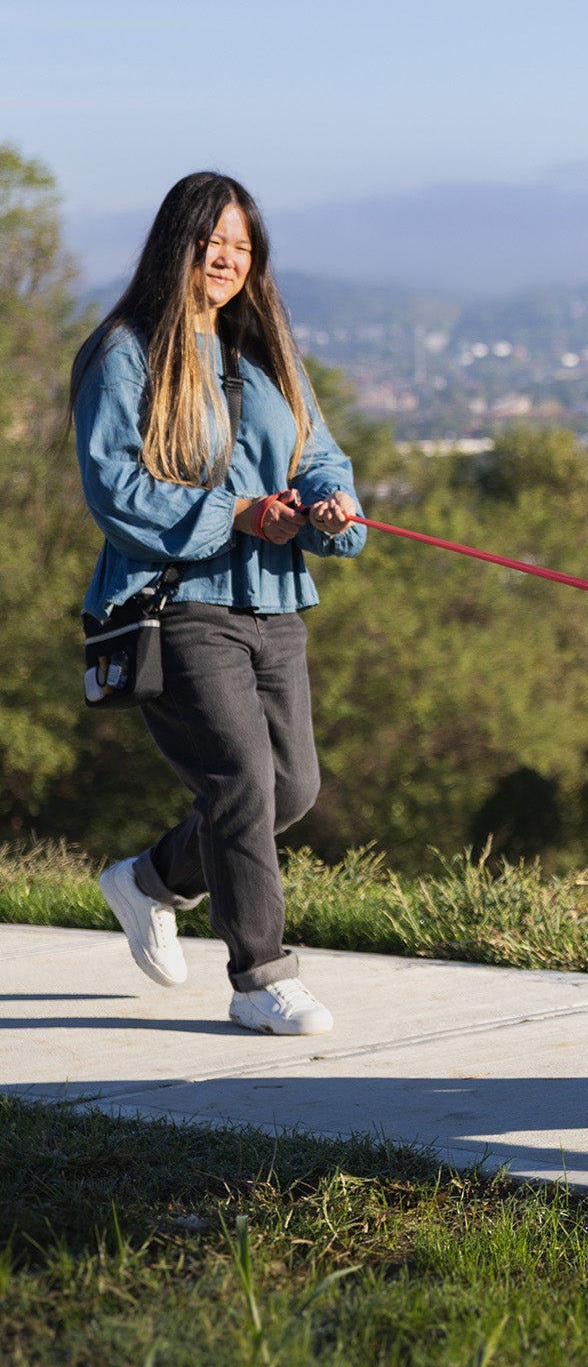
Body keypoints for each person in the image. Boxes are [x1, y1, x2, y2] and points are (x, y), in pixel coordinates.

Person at [72, 172, 365, 1034]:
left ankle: (152, 880)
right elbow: (114, 486)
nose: (227, 259)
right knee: (240, 779)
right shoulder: (124, 350)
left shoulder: (264, 352)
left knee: (292, 788)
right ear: (179, 246)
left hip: (273, 602)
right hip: (179, 603)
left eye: (240, 246)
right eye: (212, 243)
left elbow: (321, 456)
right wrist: (235, 512)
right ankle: (260, 977)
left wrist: (328, 506)